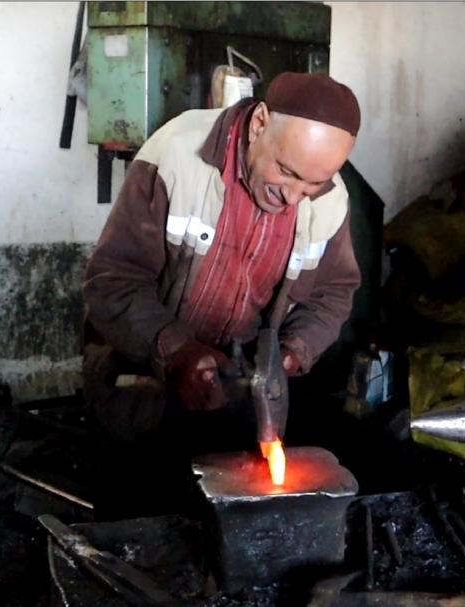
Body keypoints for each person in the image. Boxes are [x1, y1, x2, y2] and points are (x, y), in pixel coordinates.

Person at [81, 72, 362, 518]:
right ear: (259, 124)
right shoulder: (176, 156)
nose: (292, 196)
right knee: (137, 532)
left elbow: (332, 294)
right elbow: (113, 282)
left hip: (236, 405)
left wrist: (291, 353)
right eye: (286, 171)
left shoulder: (330, 201)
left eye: (311, 183)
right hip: (140, 396)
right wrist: (177, 352)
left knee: (221, 533)